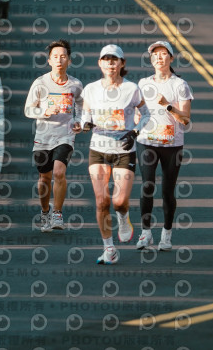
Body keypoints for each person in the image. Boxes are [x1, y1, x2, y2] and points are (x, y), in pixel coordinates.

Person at [81, 44, 151, 265]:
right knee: (102, 201)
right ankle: (109, 248)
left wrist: (135, 131)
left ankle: (123, 217)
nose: (110, 63)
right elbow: (84, 114)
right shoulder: (91, 89)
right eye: (106, 59)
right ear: (100, 63)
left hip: (124, 150)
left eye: (114, 59)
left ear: (122, 63)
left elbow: (146, 114)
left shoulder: (132, 89)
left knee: (119, 201)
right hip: (98, 149)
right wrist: (84, 124)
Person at [135, 41, 192, 251]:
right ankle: (145, 233)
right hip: (147, 141)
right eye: (155, 54)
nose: (159, 57)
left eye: (163, 54)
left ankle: (166, 234)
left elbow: (185, 119)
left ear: (171, 58)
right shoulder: (143, 83)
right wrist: (134, 126)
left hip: (172, 144)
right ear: (151, 60)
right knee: (147, 186)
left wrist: (168, 105)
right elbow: (138, 113)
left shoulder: (180, 85)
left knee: (168, 190)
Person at [24, 40, 83, 232]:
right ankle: (45, 212)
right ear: (49, 61)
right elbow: (28, 109)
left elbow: (82, 106)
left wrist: (79, 121)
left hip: (65, 136)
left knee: (59, 172)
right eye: (55, 57)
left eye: (63, 56)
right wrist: (45, 112)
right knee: (44, 178)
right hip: (43, 137)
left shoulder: (75, 85)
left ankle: (57, 213)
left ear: (69, 60)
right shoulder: (40, 83)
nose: (59, 60)